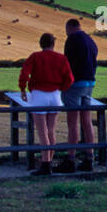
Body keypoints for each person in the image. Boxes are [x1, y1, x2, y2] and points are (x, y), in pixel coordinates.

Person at [19, 32, 73, 175]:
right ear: (53, 44)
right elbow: (70, 78)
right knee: (51, 130)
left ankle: (45, 164)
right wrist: (61, 88)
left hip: (39, 95)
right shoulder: (61, 58)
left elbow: (24, 73)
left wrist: (23, 89)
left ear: (41, 43)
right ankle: (49, 160)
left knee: (42, 132)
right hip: (55, 95)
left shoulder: (35, 57)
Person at [59, 17, 99, 173]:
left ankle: (71, 159)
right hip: (90, 83)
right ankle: (90, 158)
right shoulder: (90, 40)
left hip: (75, 84)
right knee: (87, 121)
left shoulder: (72, 39)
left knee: (73, 122)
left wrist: (64, 84)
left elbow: (66, 64)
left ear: (69, 28)